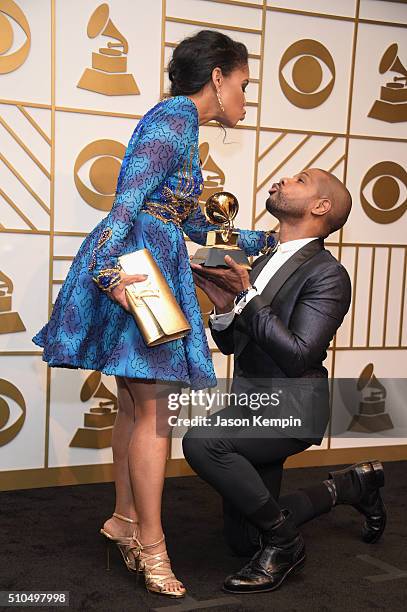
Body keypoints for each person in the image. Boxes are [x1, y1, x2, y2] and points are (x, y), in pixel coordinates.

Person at [32, 30, 276, 598]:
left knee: (134, 407)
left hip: (148, 263)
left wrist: (262, 240)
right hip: (137, 272)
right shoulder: (172, 118)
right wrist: (106, 272)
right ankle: (152, 545)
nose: (246, 95)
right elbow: (126, 205)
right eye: (244, 83)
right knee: (154, 416)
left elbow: (187, 223)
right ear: (218, 75)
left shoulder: (182, 128)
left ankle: (124, 519)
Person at [183, 168, 386, 594]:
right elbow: (234, 344)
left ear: (320, 207)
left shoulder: (328, 275)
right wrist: (223, 308)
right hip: (250, 404)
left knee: (202, 441)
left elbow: (298, 355)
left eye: (299, 180)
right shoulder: (259, 263)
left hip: (293, 408)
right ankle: (350, 485)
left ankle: (286, 542)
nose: (281, 181)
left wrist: (247, 298)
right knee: (241, 543)